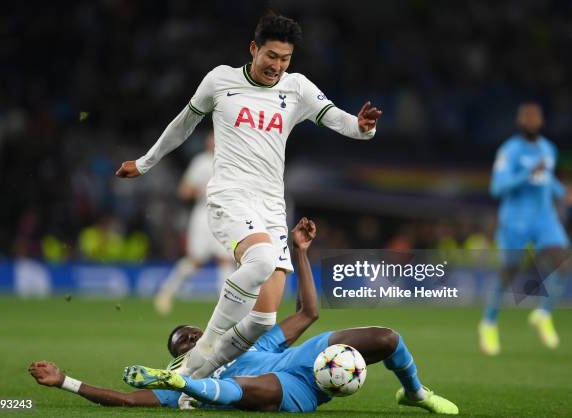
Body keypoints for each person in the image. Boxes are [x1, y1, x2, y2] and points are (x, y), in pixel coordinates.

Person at [115, 12, 382, 379]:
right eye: (271, 56)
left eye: (285, 59)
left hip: (271, 205)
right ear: (254, 49)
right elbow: (183, 124)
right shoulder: (220, 80)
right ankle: (203, 349)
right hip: (230, 195)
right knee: (258, 262)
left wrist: (362, 127)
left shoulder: (298, 87)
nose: (277, 66)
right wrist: (145, 163)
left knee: (263, 319)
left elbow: (341, 120)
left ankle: (194, 378)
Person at [29, 218, 458, 414]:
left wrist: (302, 254)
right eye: (183, 341)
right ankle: (202, 390)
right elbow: (123, 399)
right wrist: (64, 381)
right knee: (247, 388)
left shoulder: (251, 340)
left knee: (386, 337)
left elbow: (309, 312)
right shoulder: (174, 379)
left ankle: (416, 395)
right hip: (290, 391)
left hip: (307, 360)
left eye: (193, 331)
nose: (192, 336)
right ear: (179, 357)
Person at [479, 102, 570, 355]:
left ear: (541, 121)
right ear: (520, 121)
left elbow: (547, 179)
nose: (532, 121)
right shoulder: (509, 150)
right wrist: (527, 172)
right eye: (527, 117)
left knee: (563, 262)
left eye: (536, 117)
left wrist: (563, 192)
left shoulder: (548, 148)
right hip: (515, 221)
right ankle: (489, 323)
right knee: (508, 273)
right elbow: (497, 188)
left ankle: (543, 314)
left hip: (544, 219)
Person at [154, 131, 235, 314]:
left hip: (226, 216)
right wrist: (202, 191)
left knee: (225, 259)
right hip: (203, 216)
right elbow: (183, 191)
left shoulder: (232, 162)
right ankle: (166, 292)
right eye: (211, 138)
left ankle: (227, 306)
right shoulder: (201, 162)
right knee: (196, 260)